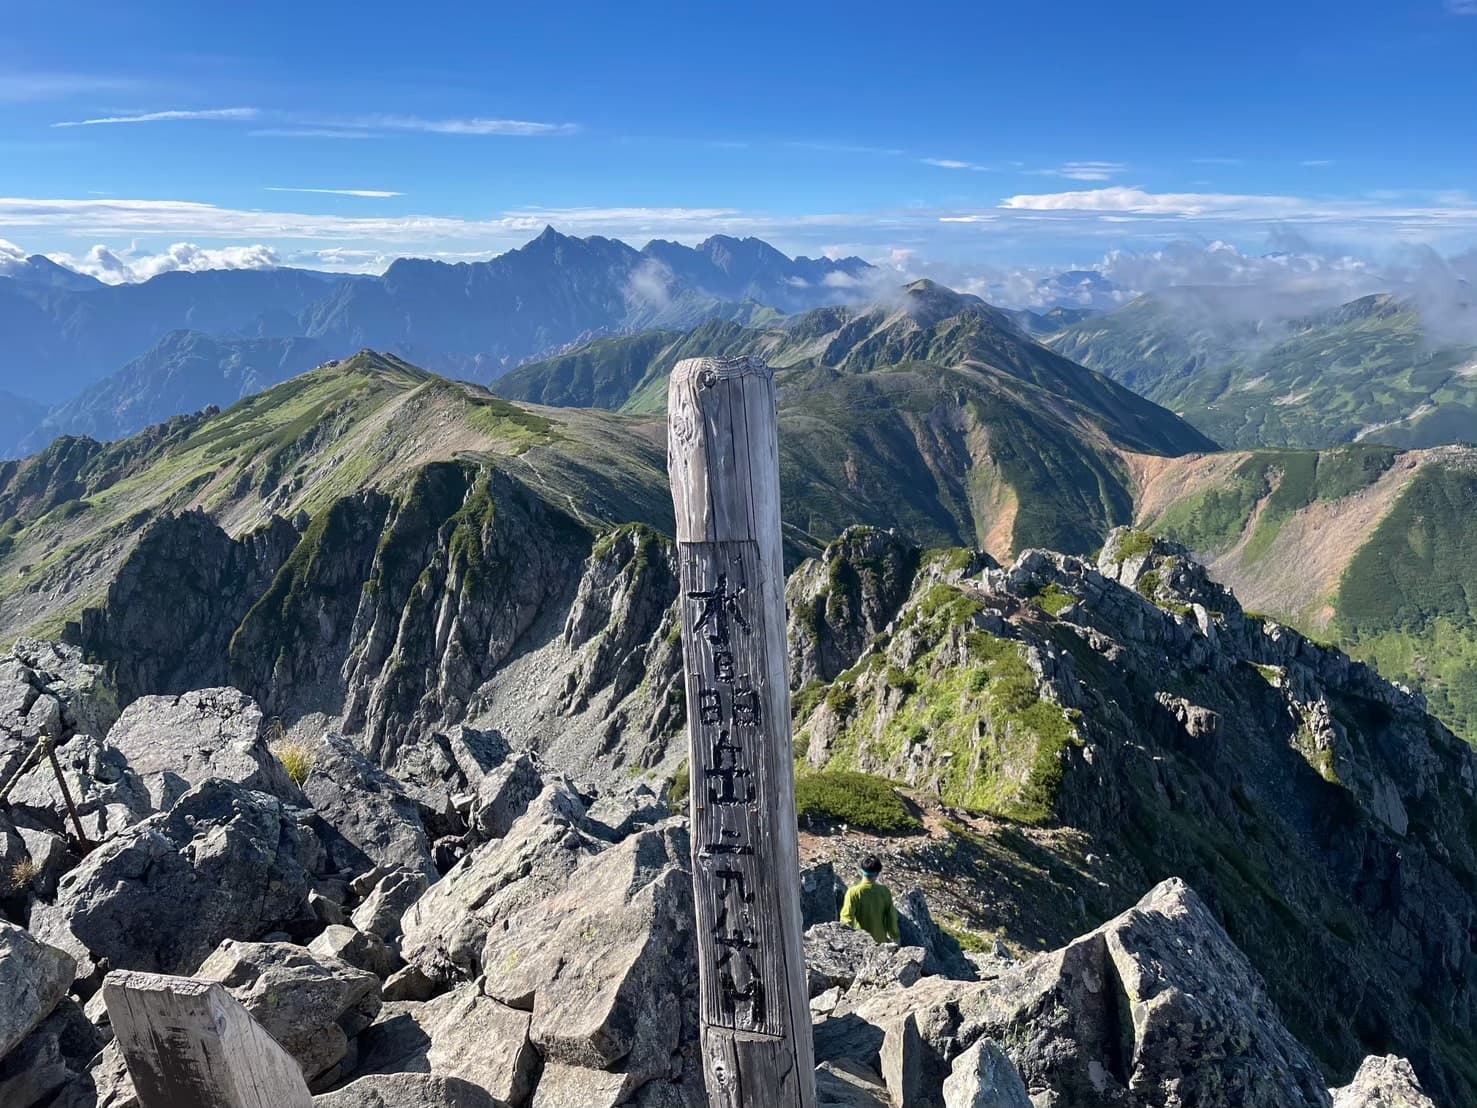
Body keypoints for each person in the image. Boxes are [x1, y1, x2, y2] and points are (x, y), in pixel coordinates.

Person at [840, 854, 900, 944]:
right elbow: (891, 918)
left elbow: (846, 918)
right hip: (880, 942)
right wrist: (895, 936)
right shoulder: (884, 891)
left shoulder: (853, 892)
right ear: (878, 873)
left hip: (860, 943)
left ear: (861, 870)